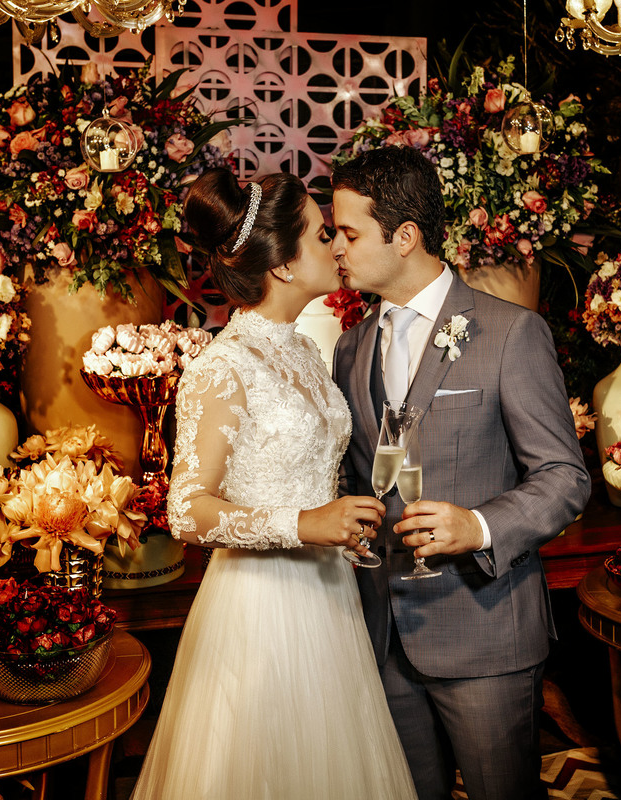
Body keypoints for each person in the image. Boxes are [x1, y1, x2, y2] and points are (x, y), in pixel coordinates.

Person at [130, 168, 418, 800]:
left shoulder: (308, 353)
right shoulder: (221, 365)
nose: (338, 248)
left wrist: (339, 528)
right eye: (322, 236)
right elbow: (185, 509)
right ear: (283, 266)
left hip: (329, 595)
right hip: (260, 609)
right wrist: (304, 523)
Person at [330, 145, 592, 800]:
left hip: (485, 634)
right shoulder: (352, 344)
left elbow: (565, 476)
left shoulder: (510, 334)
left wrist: (477, 526)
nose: (336, 246)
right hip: (386, 632)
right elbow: (364, 474)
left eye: (350, 232)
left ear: (407, 236)